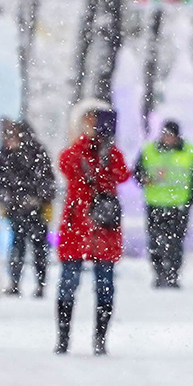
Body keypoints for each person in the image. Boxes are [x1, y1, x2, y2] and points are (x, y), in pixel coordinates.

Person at [55, 104, 130, 355]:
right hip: (77, 226)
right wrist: (83, 142)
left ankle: (100, 339)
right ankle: (63, 337)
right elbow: (66, 165)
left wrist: (106, 149)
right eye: (87, 119)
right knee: (68, 283)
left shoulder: (111, 153)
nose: (93, 125)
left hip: (104, 228)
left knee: (105, 285)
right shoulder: (75, 153)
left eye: (96, 120)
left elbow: (122, 174)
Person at [135, 119, 193, 288]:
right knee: (155, 241)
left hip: (179, 204)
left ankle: (173, 274)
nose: (168, 138)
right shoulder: (149, 150)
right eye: (166, 135)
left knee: (176, 242)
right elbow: (136, 172)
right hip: (155, 203)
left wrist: (191, 198)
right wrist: (144, 179)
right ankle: (159, 273)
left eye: (171, 135)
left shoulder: (190, 151)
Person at [0, 117, 55, 297]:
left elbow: (47, 180)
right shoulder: (6, 153)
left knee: (36, 247)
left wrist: (40, 199)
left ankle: (39, 284)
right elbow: (1, 182)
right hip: (18, 209)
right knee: (19, 247)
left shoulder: (35, 151)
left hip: (35, 209)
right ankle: (16, 282)